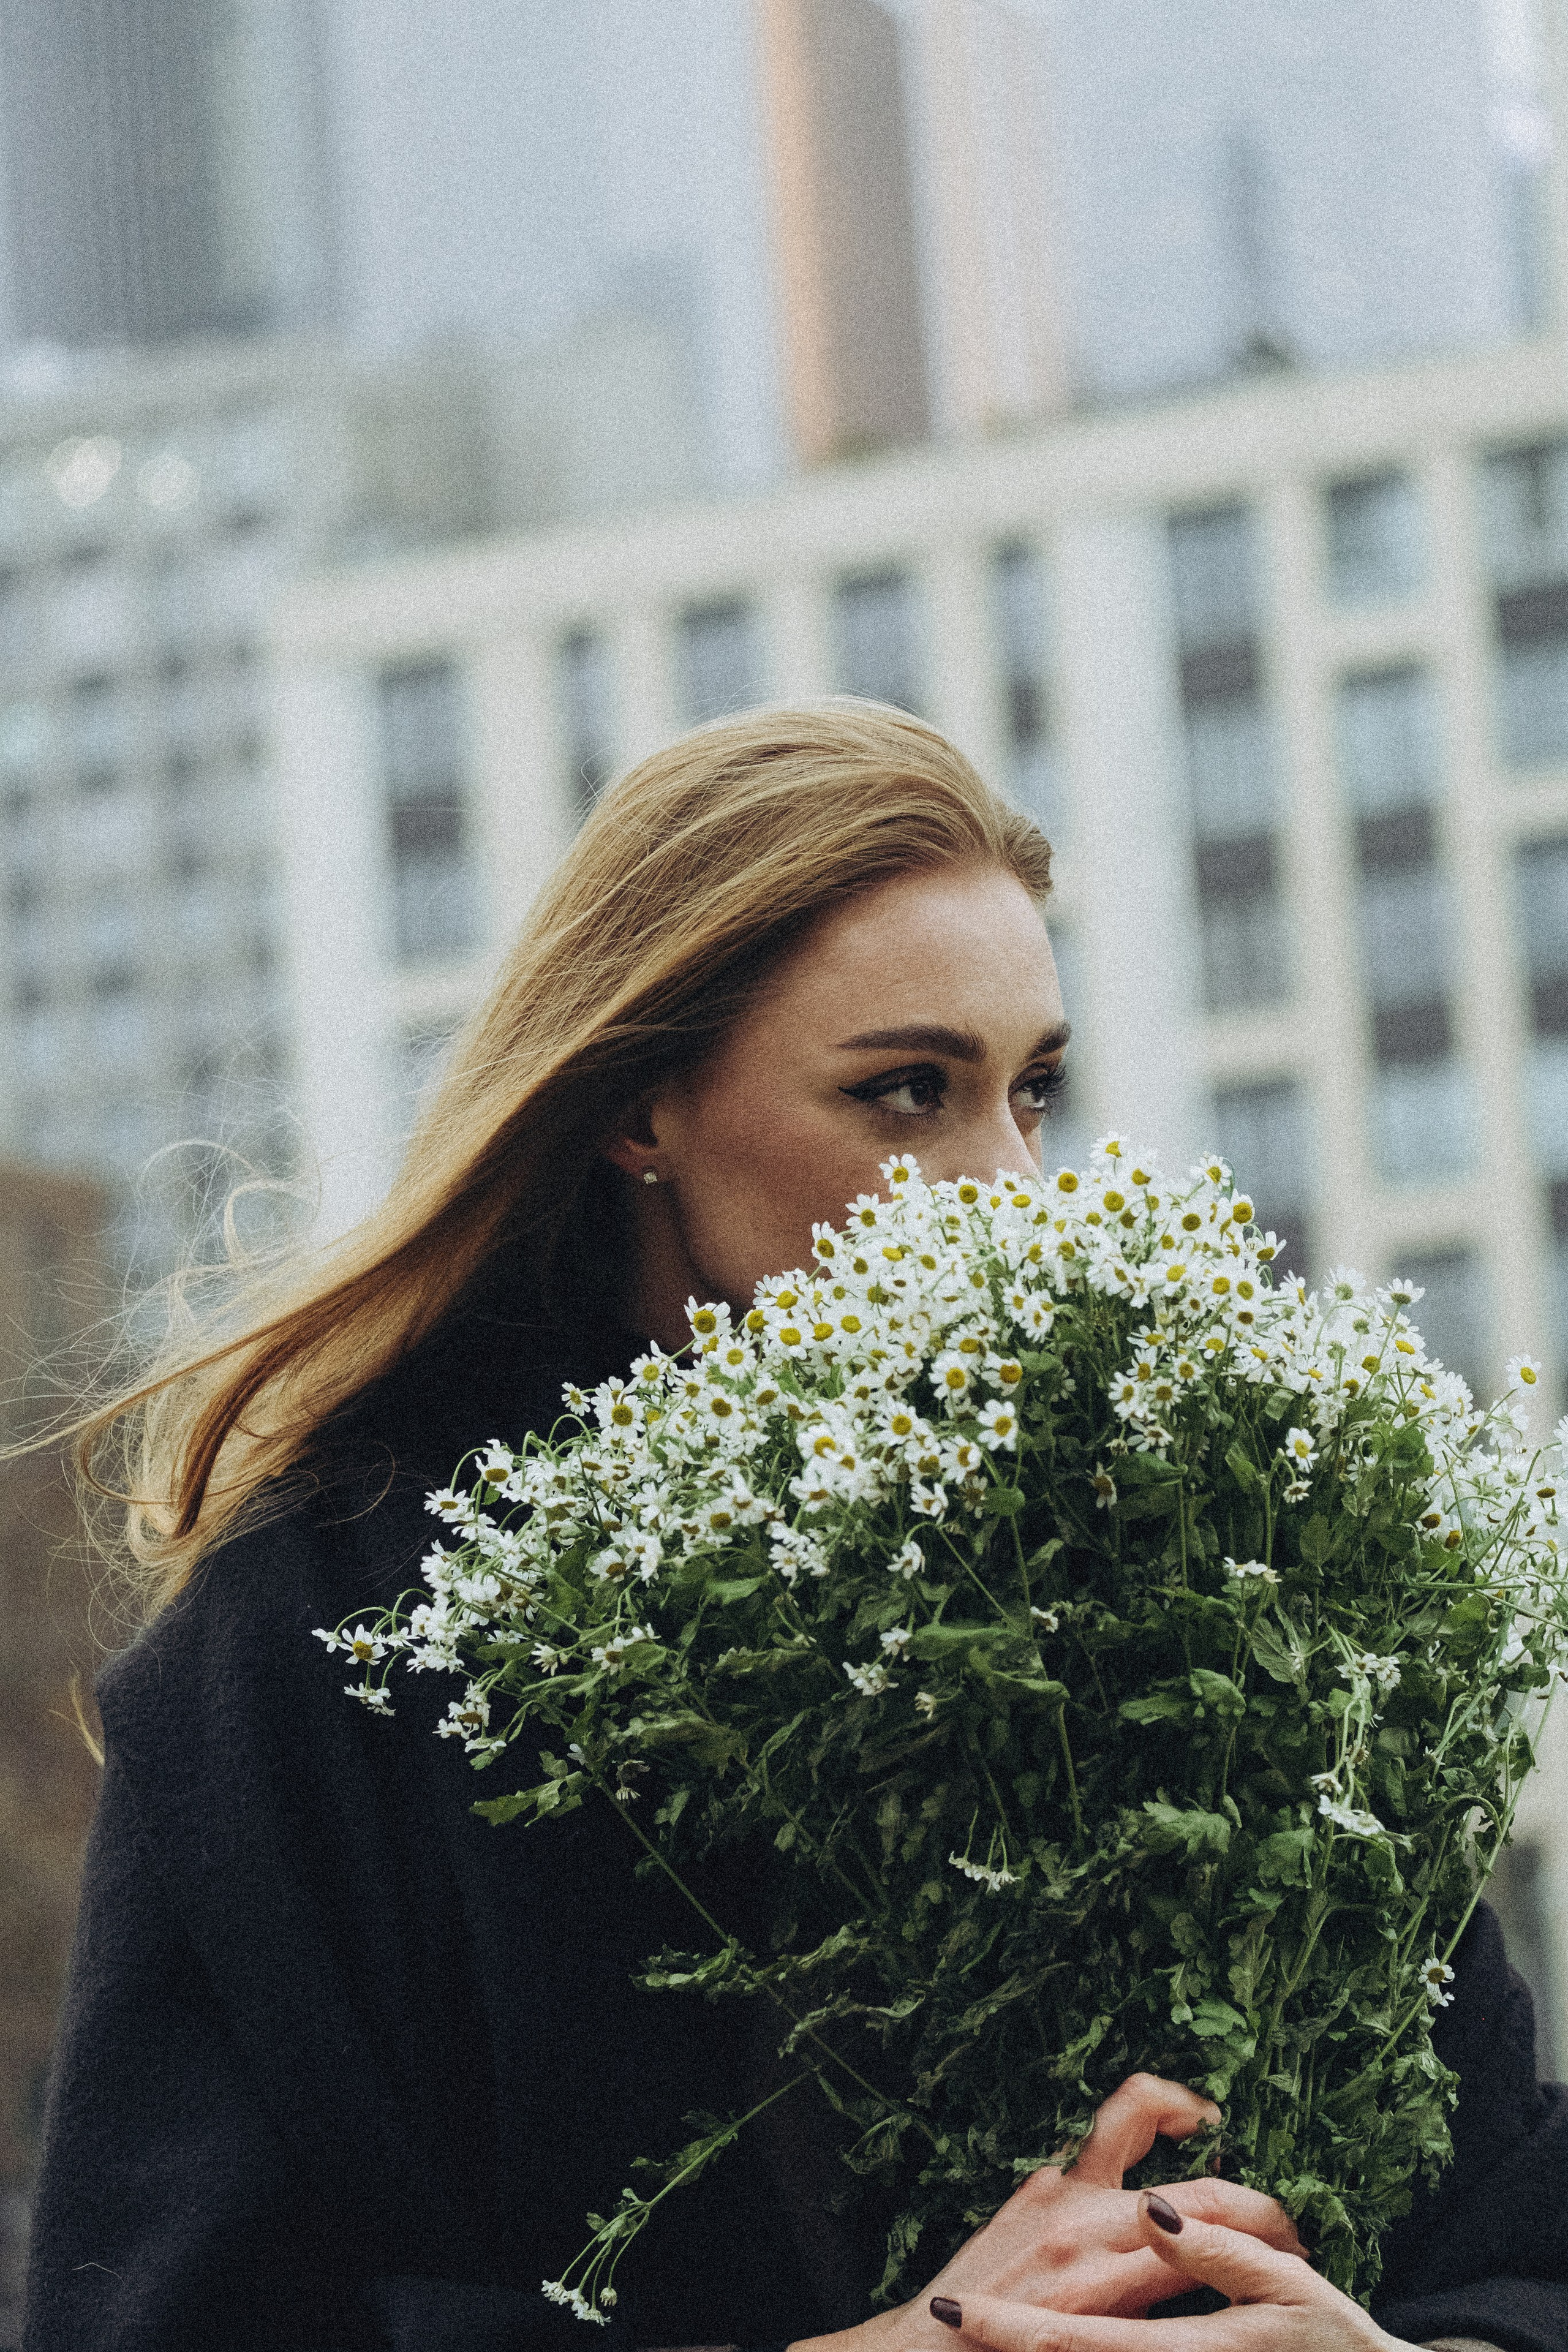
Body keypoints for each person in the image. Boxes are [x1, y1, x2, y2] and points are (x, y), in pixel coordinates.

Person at [23, 705, 1568, 2352]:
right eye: (905, 1093)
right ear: (640, 1109)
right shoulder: (321, 1644)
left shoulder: (1208, 1578)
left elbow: (1512, 2224)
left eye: (1033, 1091)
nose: (1005, 1186)